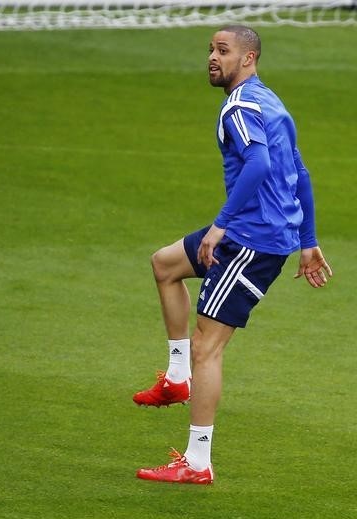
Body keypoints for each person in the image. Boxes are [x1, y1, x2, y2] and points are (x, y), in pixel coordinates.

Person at [132, 25, 332, 484]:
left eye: (223, 51)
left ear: (249, 58)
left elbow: (261, 164)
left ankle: (197, 462)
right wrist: (308, 240)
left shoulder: (239, 107)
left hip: (250, 242)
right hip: (259, 232)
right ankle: (176, 378)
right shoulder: (272, 102)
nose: (212, 58)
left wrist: (221, 225)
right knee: (165, 265)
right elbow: (299, 171)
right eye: (210, 50)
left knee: (209, 347)